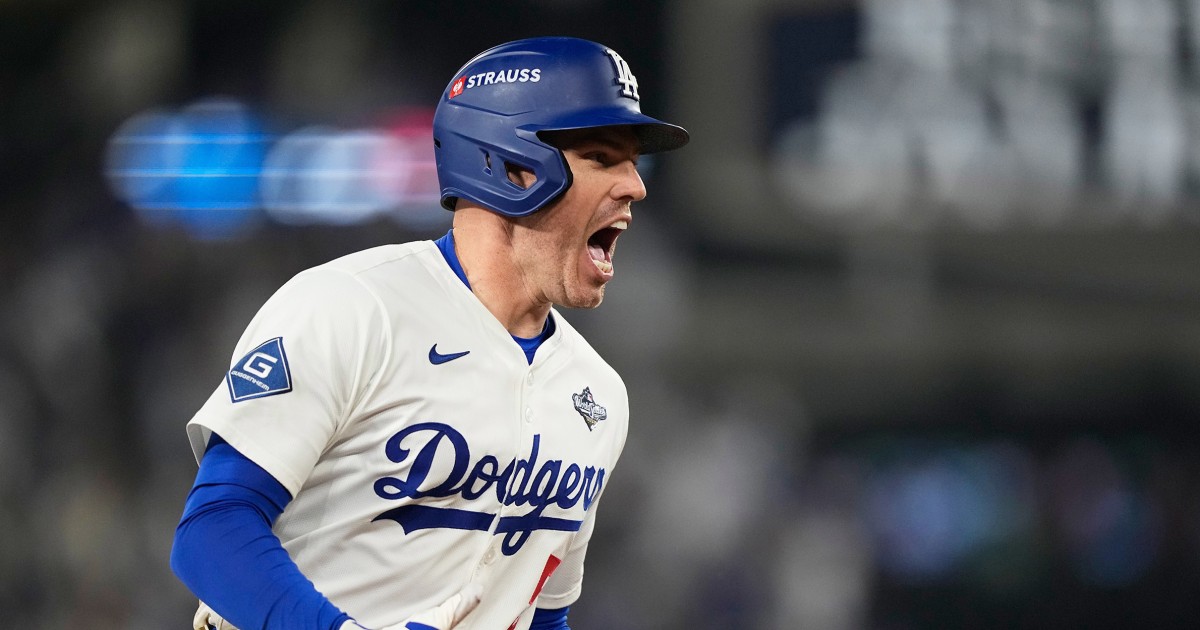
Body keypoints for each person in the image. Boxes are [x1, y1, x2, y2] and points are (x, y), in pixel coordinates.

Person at [170, 36, 689, 630]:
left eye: (632, 161)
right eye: (602, 157)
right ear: (512, 166)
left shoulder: (598, 396)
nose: (635, 185)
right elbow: (214, 528)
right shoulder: (353, 307)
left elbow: (542, 616)